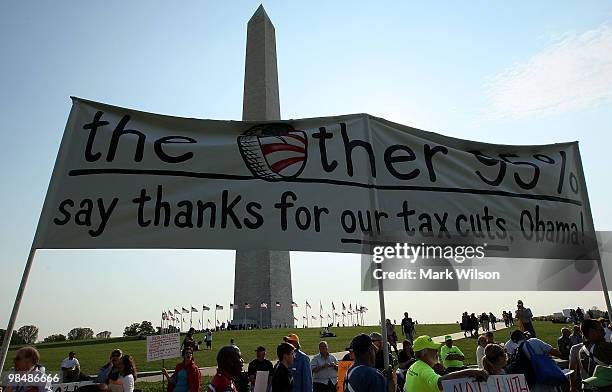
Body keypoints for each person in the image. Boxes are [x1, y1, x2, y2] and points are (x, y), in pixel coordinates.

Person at [405, 335, 488, 392]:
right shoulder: (424, 369)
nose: (436, 352)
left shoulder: (413, 367)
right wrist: (472, 371)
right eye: (433, 349)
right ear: (425, 353)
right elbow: (440, 383)